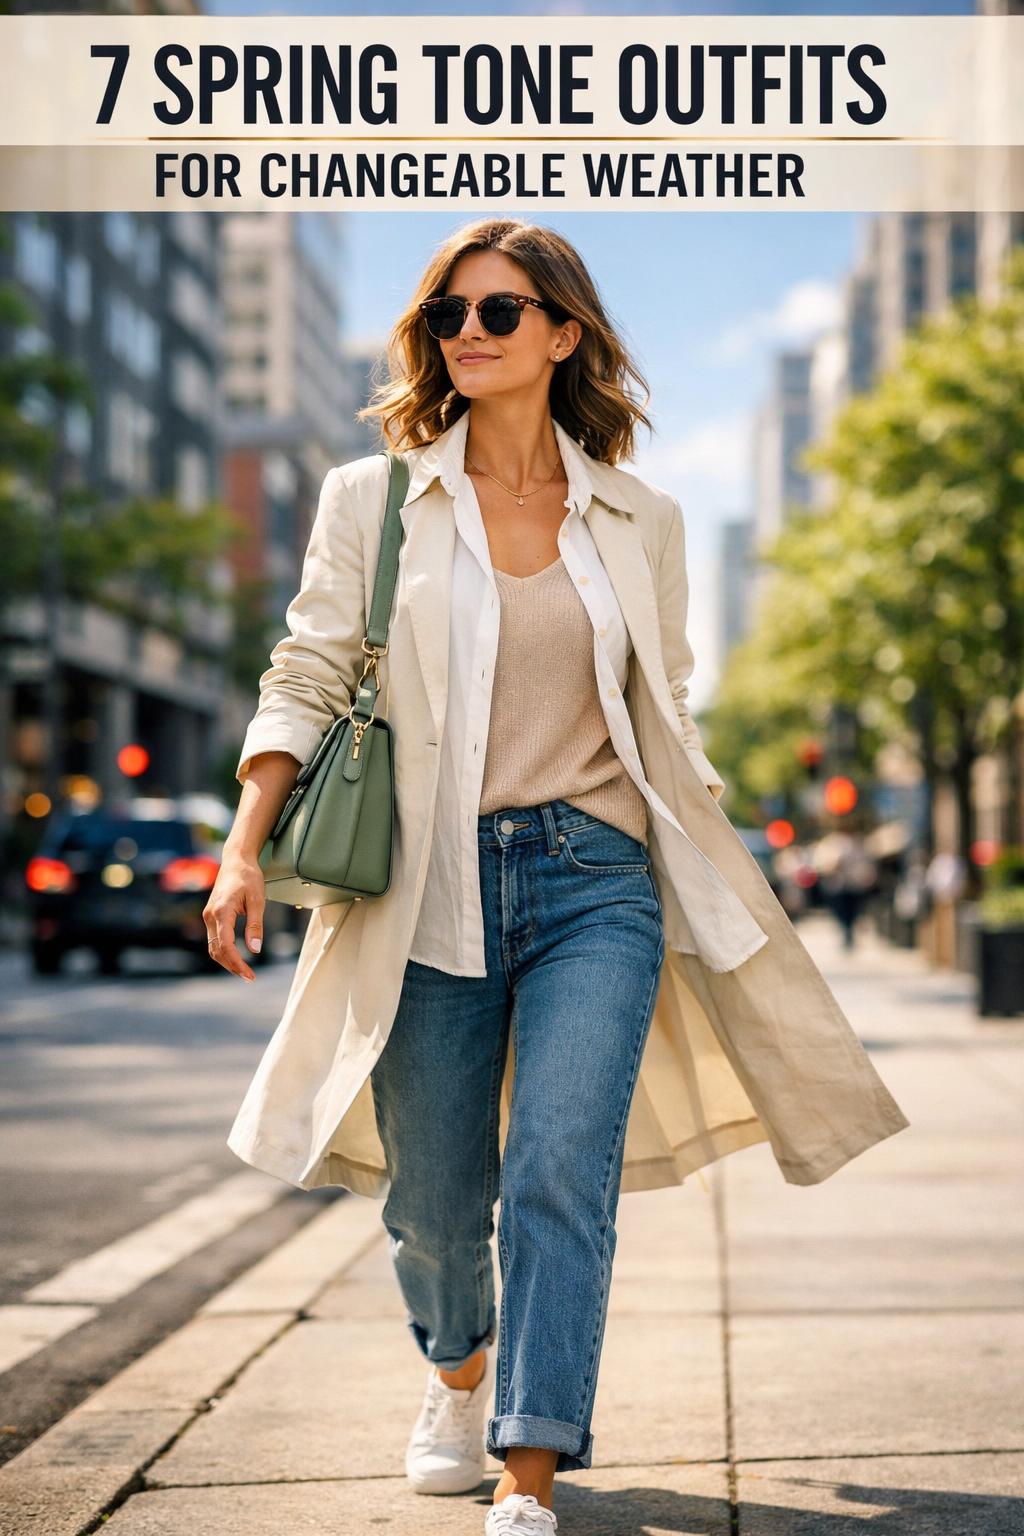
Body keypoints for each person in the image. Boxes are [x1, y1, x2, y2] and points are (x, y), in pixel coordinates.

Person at [204, 217, 910, 1535]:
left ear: (563, 335)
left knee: (558, 1170)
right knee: (433, 1201)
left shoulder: (641, 515)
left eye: (500, 313)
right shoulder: (375, 501)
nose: (467, 332)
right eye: (449, 315)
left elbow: (668, 693)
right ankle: (458, 1378)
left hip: (600, 876)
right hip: (424, 880)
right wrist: (245, 845)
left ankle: (530, 1463)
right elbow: (305, 671)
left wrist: (698, 818)